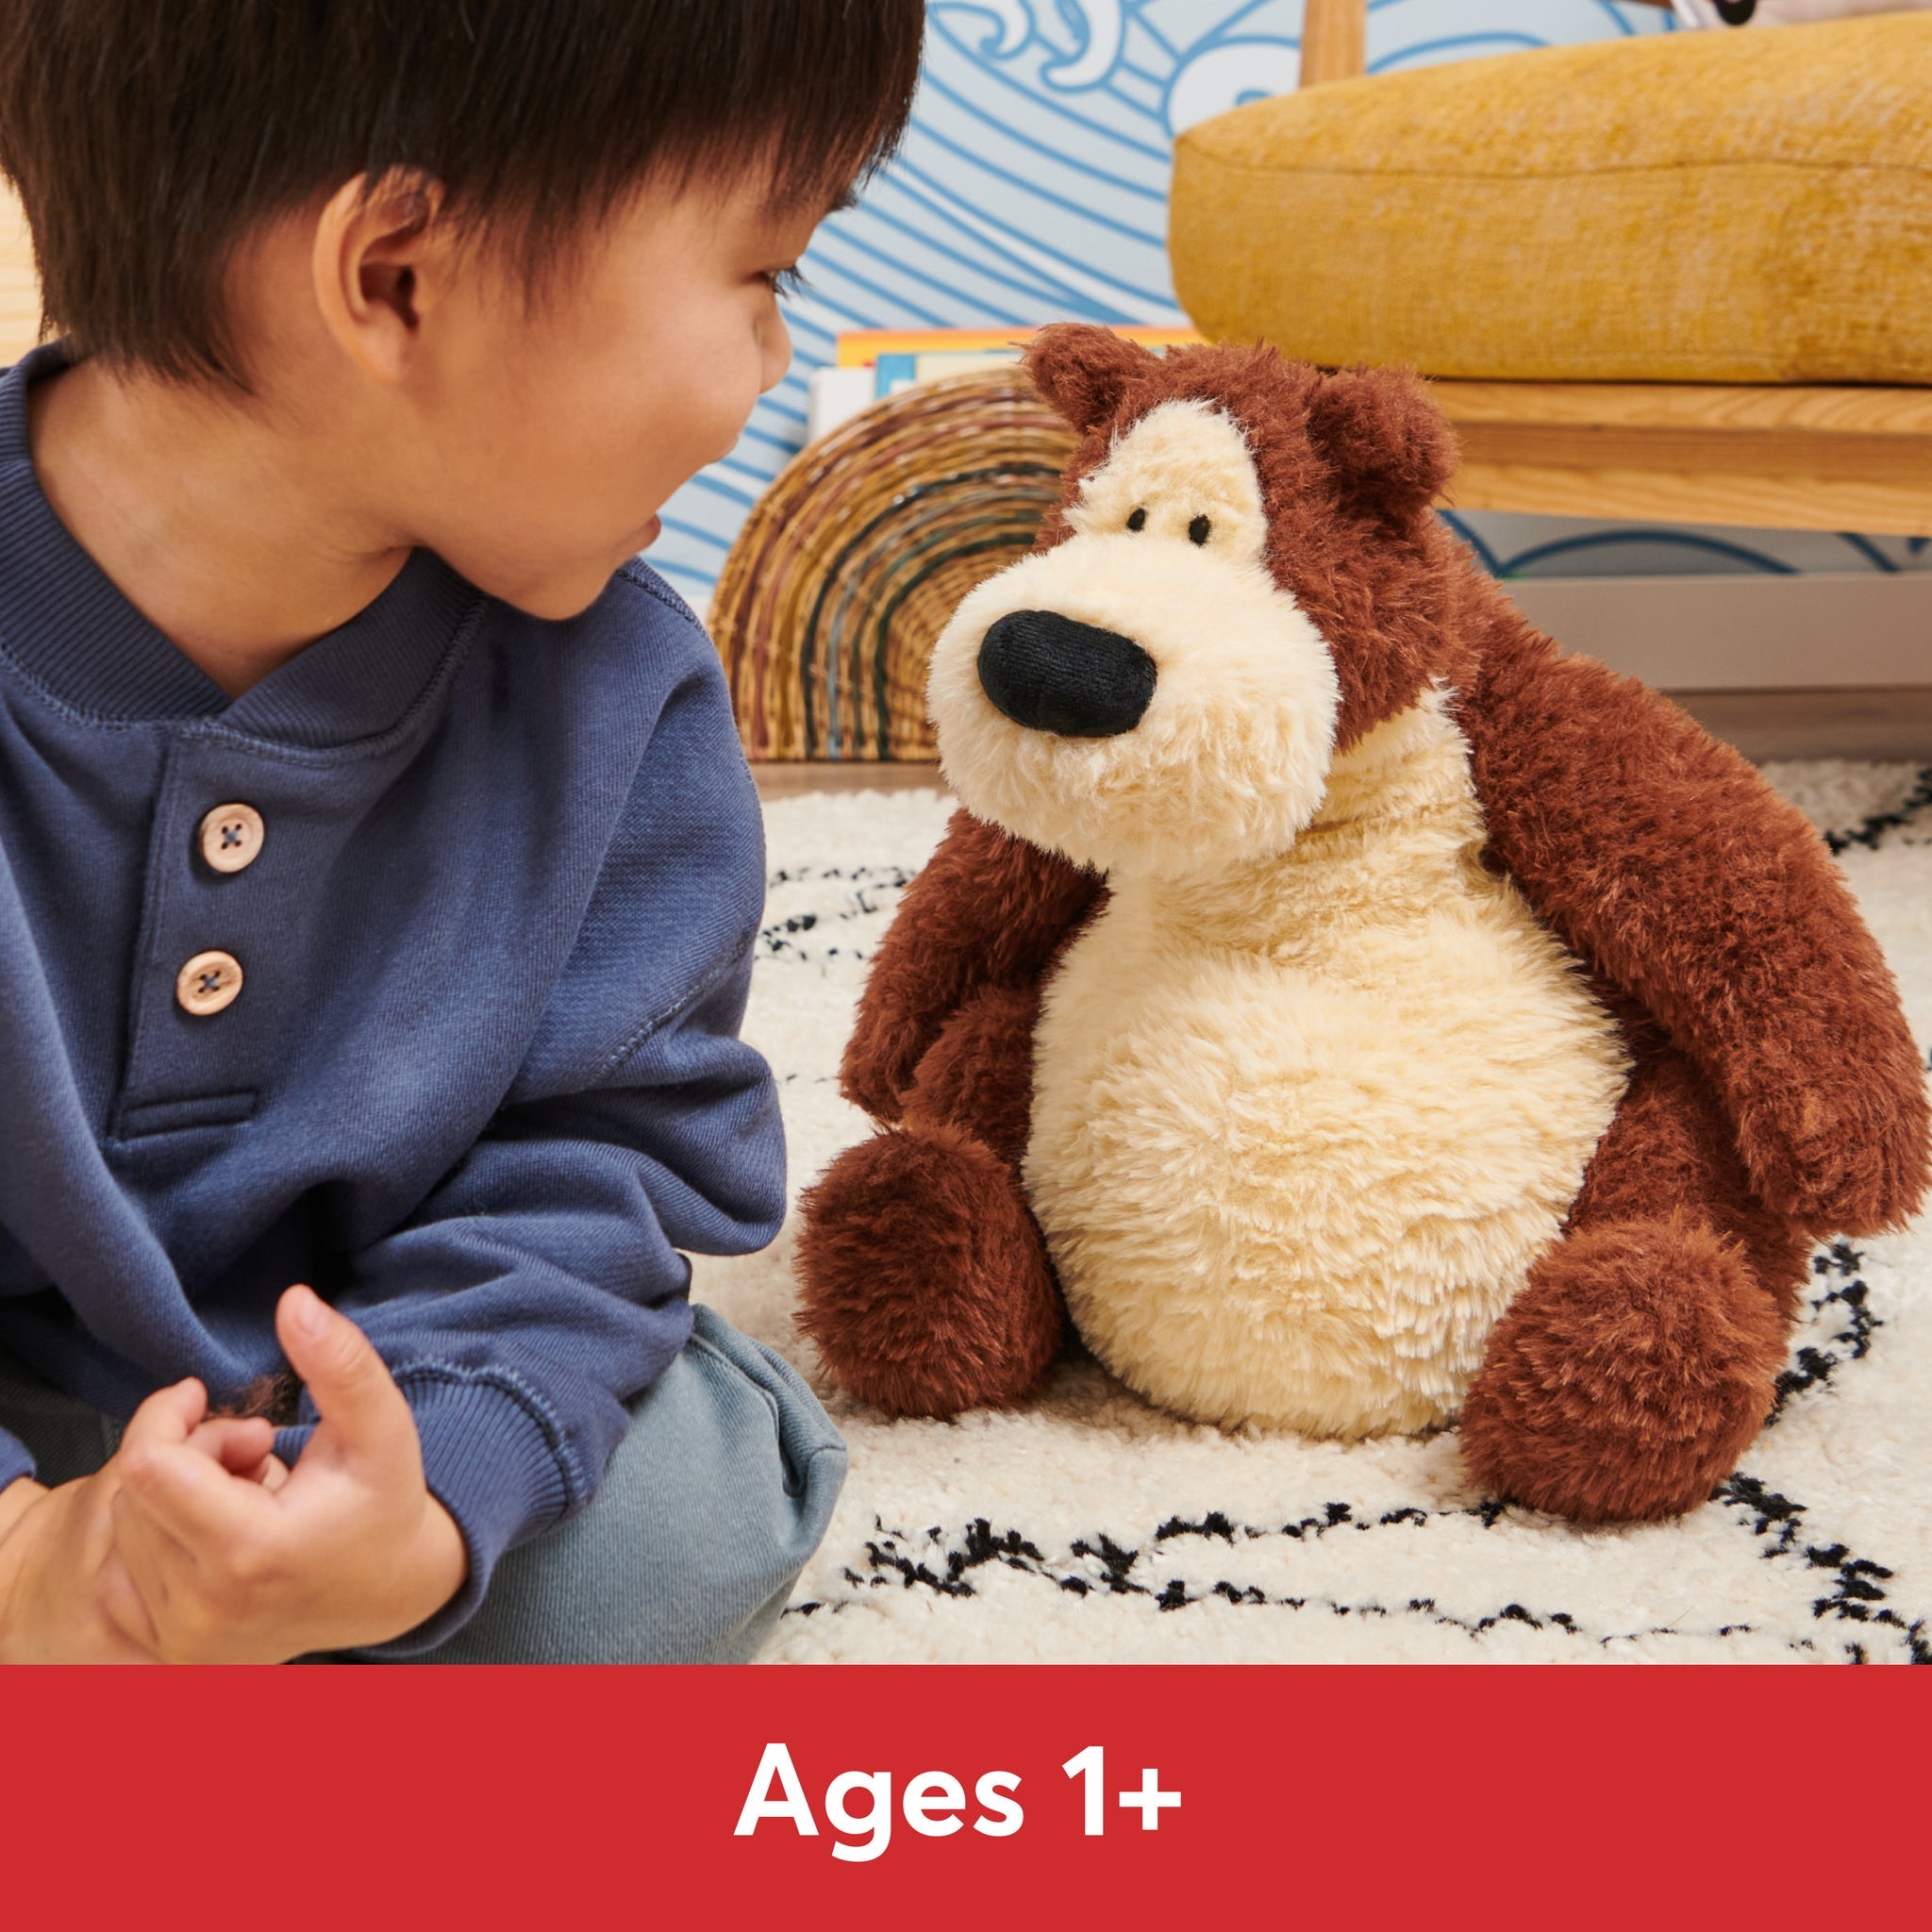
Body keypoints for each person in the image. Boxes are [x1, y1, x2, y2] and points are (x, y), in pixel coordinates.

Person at [0, 0, 923, 1662]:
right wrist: (25, 1560)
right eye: (764, 274)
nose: (774, 357)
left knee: (657, 1537)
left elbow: (596, 1163)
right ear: (395, 277)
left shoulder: (616, 694)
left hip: (394, 1345)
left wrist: (415, 1511)